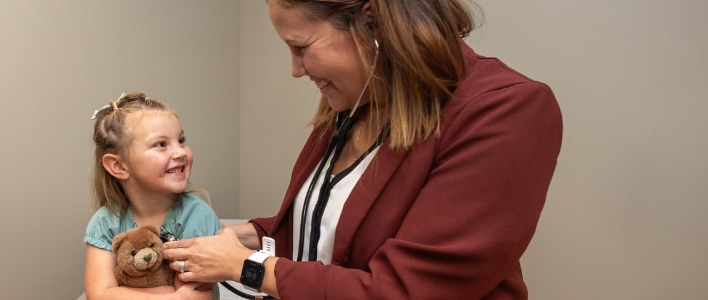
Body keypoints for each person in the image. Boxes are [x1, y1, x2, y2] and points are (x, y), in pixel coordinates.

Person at [163, 0, 562, 299]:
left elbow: (405, 290)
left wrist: (247, 267)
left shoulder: (506, 110)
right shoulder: (358, 100)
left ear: (371, 23)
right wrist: (220, 235)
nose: (295, 70)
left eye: (300, 47)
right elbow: (325, 222)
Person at [83, 92, 221, 300]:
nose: (180, 152)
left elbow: (196, 295)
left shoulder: (197, 216)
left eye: (181, 140)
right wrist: (170, 297)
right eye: (161, 144)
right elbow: (99, 294)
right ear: (119, 166)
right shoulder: (105, 222)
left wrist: (123, 293)